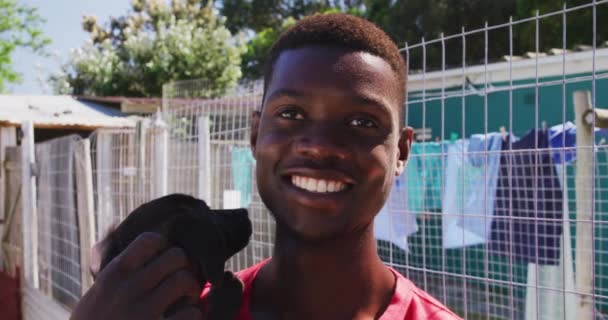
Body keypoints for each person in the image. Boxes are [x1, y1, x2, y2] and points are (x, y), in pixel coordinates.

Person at [70, 13, 461, 320]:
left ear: (402, 152)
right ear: (256, 135)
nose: (320, 145)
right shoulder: (179, 313)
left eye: (362, 122)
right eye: (291, 113)